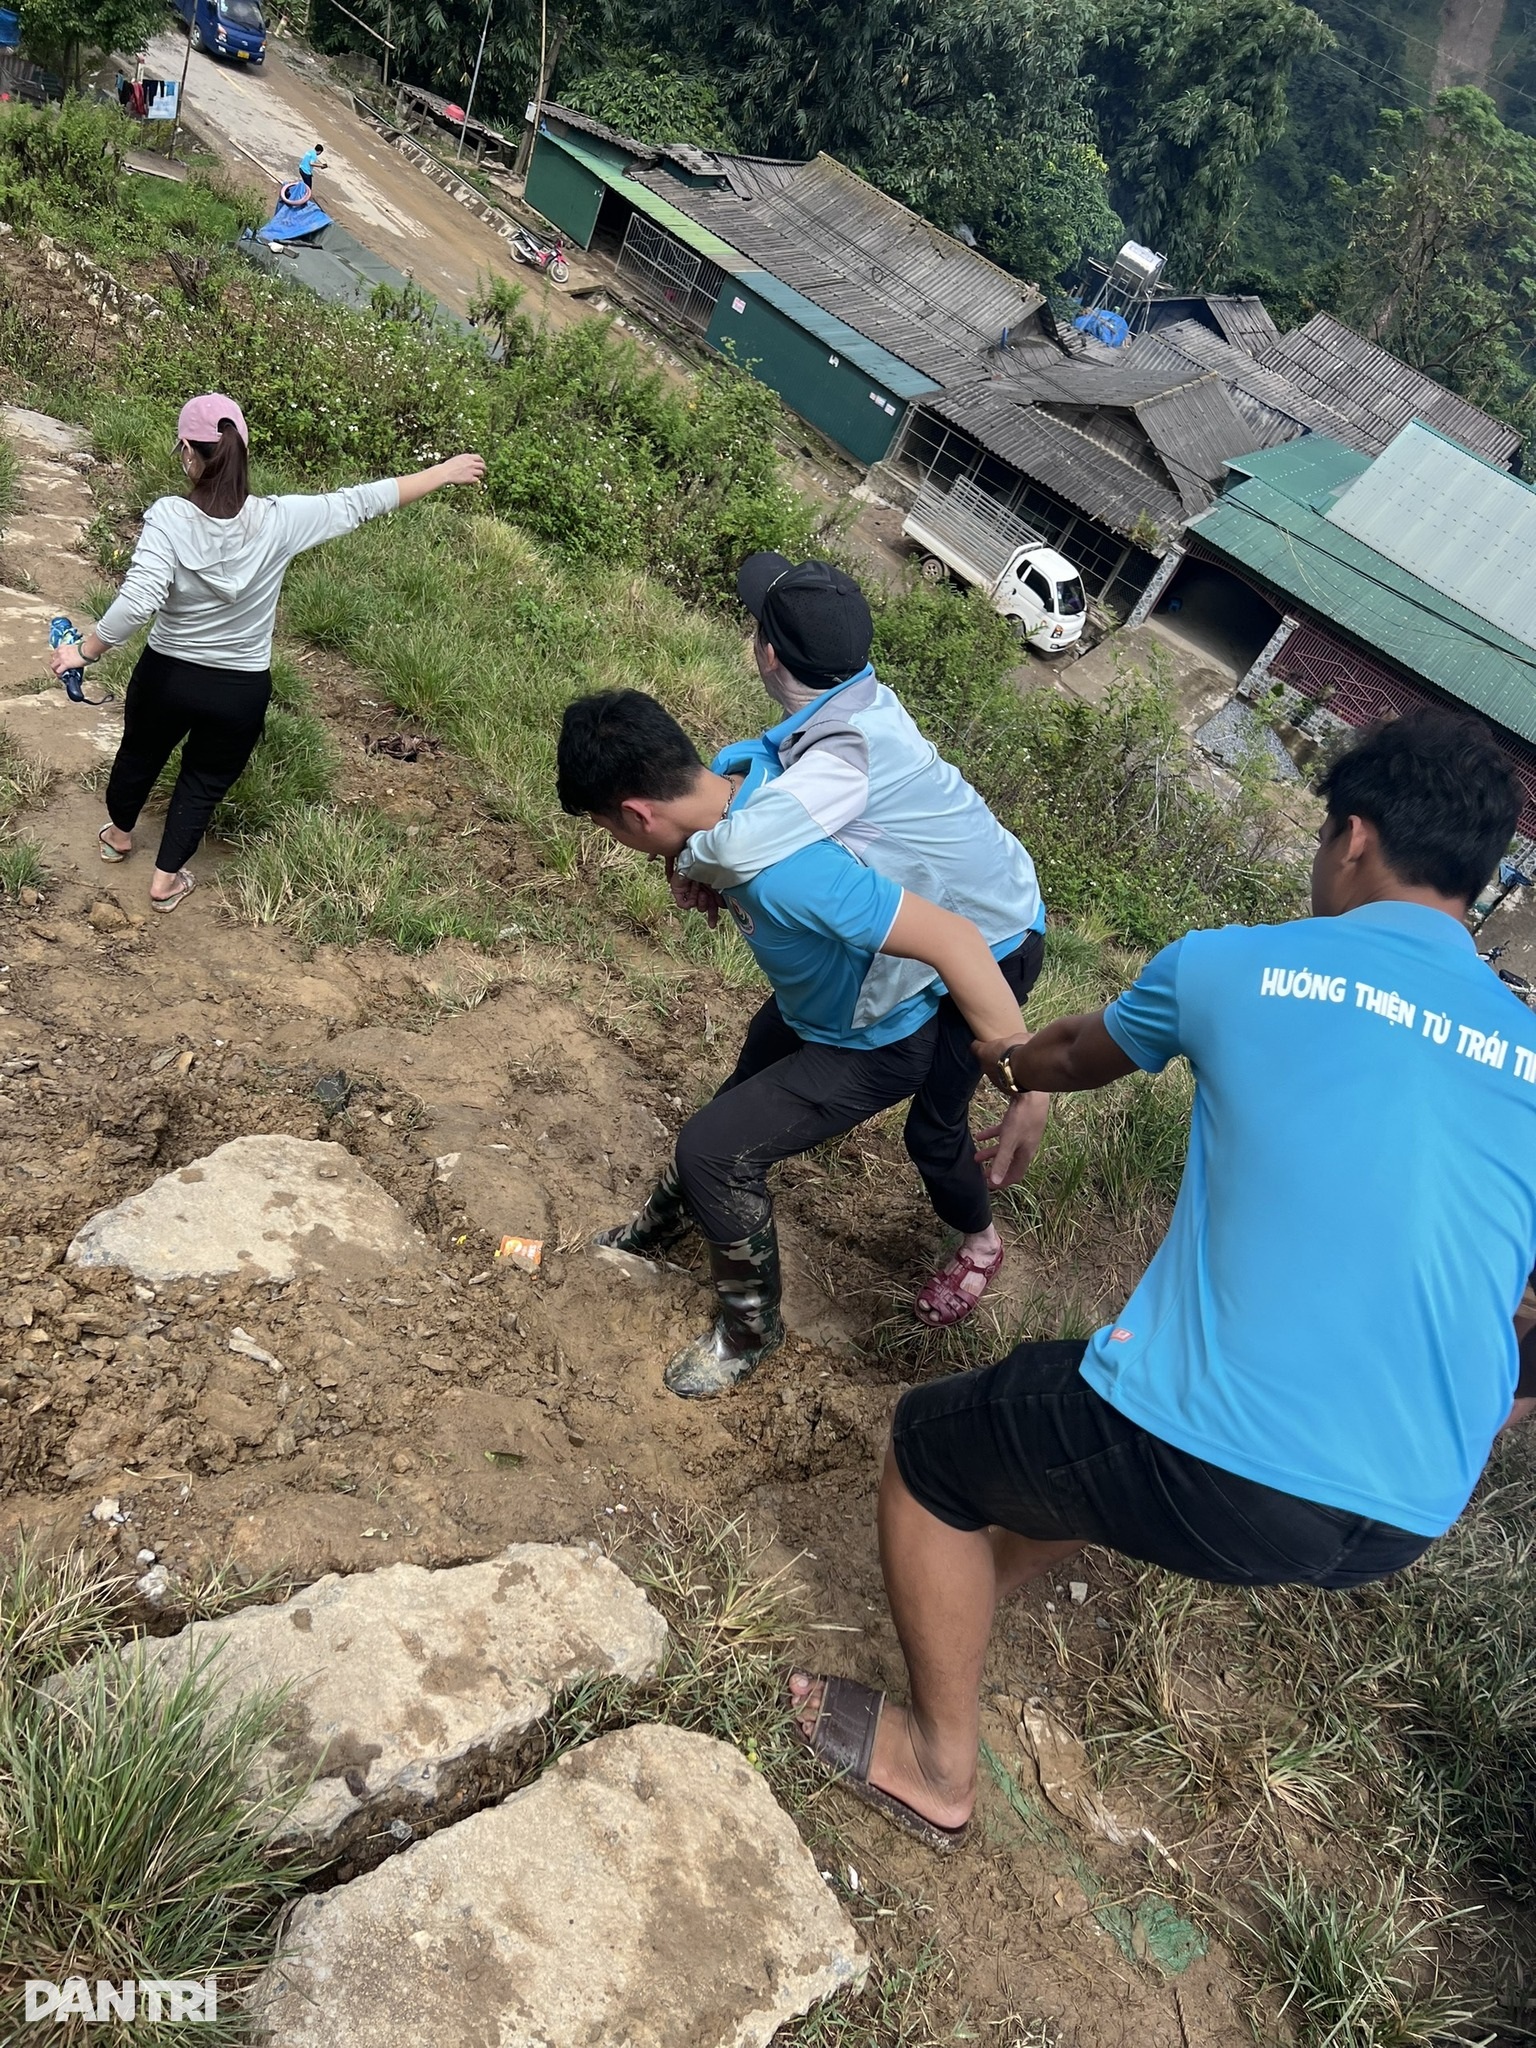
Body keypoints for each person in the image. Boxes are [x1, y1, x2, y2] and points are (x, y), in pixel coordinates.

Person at [788, 710, 1536, 1852]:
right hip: (1410, 1508)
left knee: (932, 1449)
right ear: (1478, 885)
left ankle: (938, 1766)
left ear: (1351, 838)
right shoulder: (1527, 1052)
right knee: (1096, 1423)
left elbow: (1074, 1054)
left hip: (1232, 1461)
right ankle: (980, 1578)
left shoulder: (1240, 963)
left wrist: (1008, 1060)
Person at [556, 689, 1049, 1399]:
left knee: (715, 1151)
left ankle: (750, 1332)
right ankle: (662, 1226)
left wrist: (1028, 1083)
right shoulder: (747, 770)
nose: (619, 842)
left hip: (874, 1037)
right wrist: (691, 864)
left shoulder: (789, 873)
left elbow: (954, 939)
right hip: (812, 1005)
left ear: (637, 814)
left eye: (612, 829)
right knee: (729, 1115)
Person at [669, 552, 1051, 1327]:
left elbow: (739, 846)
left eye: (757, 624)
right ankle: (709, 1162)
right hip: (955, 915)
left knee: (933, 1127)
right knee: (781, 1030)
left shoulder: (847, 754)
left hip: (999, 937)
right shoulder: (852, 703)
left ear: (769, 655)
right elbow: (770, 775)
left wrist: (687, 860)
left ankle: (980, 1243)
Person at [49, 393, 484, 911]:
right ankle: (165, 883)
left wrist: (85, 652)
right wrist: (441, 471)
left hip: (167, 676)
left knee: (140, 754)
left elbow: (138, 601)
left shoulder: (169, 516)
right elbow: (361, 501)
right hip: (238, 689)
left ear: (188, 451)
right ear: (242, 451)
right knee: (204, 781)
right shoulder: (281, 519)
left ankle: (118, 838)